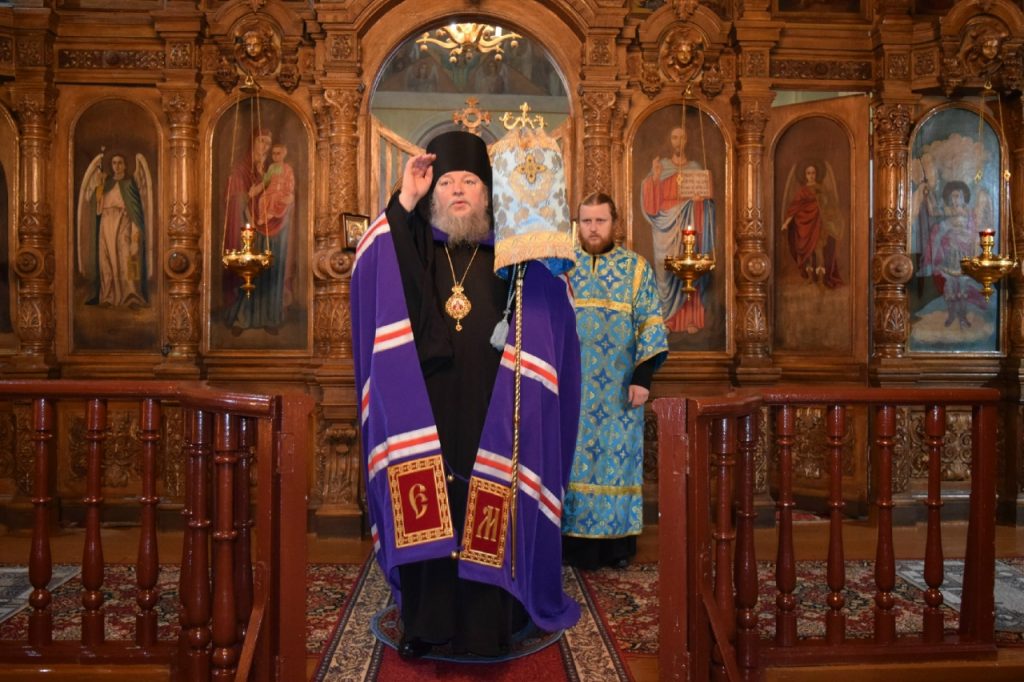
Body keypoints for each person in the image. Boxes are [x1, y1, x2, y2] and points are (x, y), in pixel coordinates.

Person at [351, 130, 581, 660]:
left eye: (470, 182)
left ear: (489, 193)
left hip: (494, 406)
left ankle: (487, 626)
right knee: (429, 511)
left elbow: (554, 311)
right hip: (424, 407)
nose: (457, 190)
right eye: (447, 182)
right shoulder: (412, 248)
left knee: (490, 503)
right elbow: (371, 265)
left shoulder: (514, 256)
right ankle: (427, 624)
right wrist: (405, 198)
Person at [562, 193, 668, 569]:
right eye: (586, 221)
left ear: (614, 223)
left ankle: (617, 548)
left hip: (619, 390)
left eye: (600, 221)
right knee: (571, 462)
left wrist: (642, 378)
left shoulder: (635, 268)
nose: (593, 229)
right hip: (570, 388)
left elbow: (650, 323)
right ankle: (570, 546)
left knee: (616, 463)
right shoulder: (563, 267)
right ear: (577, 223)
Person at [640, 123, 716, 334]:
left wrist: (700, 202)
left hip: (689, 225)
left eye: (682, 137)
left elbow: (707, 202)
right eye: (674, 137)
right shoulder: (662, 167)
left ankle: (690, 319)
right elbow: (651, 205)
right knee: (665, 272)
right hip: (665, 228)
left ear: (687, 141)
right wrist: (655, 178)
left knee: (691, 268)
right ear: (669, 141)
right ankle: (666, 319)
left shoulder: (695, 168)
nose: (678, 142)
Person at [223, 128, 296, 333]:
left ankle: (271, 317)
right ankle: (243, 317)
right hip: (250, 225)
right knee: (249, 267)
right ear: (252, 143)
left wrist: (285, 202)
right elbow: (238, 198)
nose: (264, 147)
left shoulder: (280, 169)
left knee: (273, 268)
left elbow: (288, 190)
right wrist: (248, 210)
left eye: (268, 143)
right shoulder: (241, 169)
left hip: (276, 223)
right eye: (260, 141)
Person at [88, 153, 147, 308]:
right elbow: (99, 210)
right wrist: (99, 188)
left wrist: (135, 236)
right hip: (106, 223)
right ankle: (108, 297)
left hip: (124, 222)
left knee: (128, 258)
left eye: (120, 162)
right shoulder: (106, 184)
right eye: (114, 163)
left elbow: (135, 210)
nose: (117, 166)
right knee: (106, 260)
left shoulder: (129, 184)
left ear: (125, 165)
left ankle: (132, 296)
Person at [780, 161, 843, 288]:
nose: (811, 176)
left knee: (818, 251)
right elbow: (794, 208)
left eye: (813, 173)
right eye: (808, 173)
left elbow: (828, 206)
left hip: (818, 224)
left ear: (816, 174)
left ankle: (820, 279)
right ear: (805, 175)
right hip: (804, 226)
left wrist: (823, 202)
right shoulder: (802, 191)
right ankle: (810, 277)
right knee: (807, 253)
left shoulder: (822, 189)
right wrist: (786, 223)